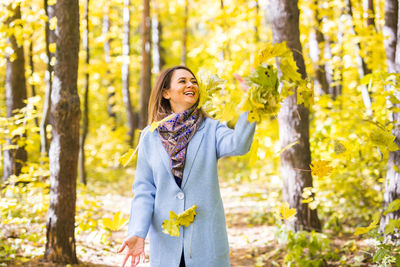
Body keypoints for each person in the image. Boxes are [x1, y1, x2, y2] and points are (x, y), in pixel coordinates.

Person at [118, 66, 256, 267]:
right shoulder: (150, 136)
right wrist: (137, 232)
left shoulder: (211, 128)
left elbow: (239, 144)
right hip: (167, 242)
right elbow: (144, 191)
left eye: (193, 81)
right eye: (182, 81)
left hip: (205, 241)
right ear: (166, 93)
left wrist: (250, 104)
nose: (191, 84)